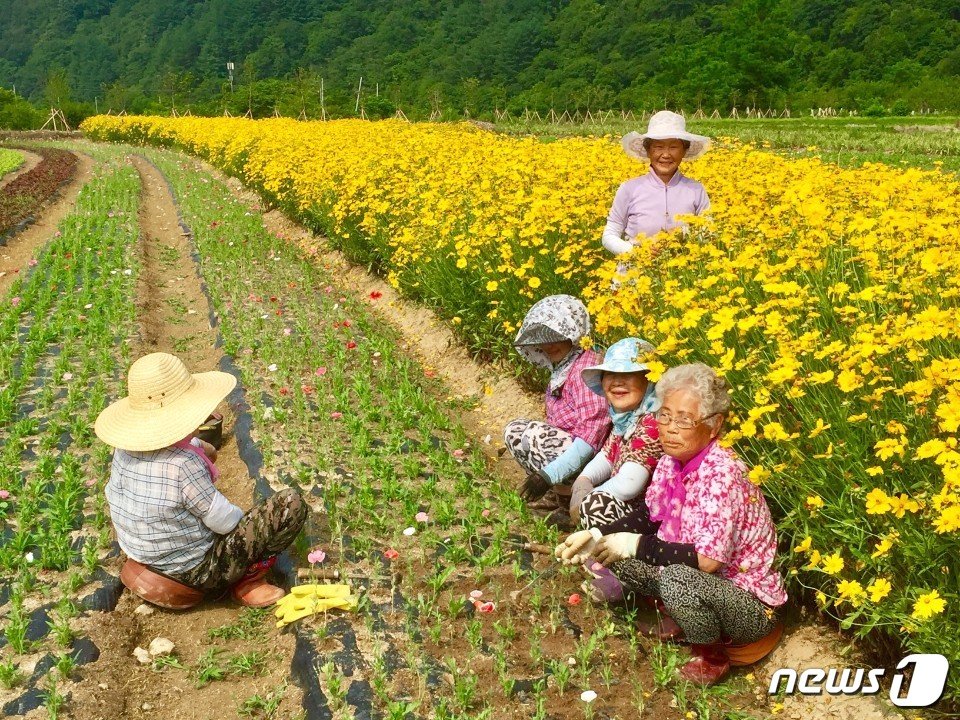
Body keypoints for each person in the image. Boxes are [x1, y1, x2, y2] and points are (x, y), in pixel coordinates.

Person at [556, 363, 787, 685]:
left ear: (714, 424)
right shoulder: (669, 462)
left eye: (684, 419)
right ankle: (675, 615)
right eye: (664, 415)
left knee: (678, 576)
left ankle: (711, 657)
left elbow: (708, 562)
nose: (670, 428)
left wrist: (634, 544)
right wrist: (596, 535)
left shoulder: (723, 473)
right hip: (699, 585)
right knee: (614, 547)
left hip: (745, 604)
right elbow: (650, 516)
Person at [95, 352, 307, 608]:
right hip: (194, 571)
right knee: (289, 505)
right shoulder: (182, 464)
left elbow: (191, 453)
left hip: (145, 556)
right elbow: (225, 521)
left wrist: (201, 450)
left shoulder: (125, 449)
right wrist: (250, 529)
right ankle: (248, 581)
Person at [504, 295, 611, 509]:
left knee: (524, 433)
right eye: (544, 336)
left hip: (595, 461)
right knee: (517, 433)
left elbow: (593, 434)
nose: (550, 345)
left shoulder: (585, 368)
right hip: (574, 453)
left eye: (557, 335)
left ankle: (573, 499)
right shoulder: (564, 366)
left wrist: (547, 475)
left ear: (573, 332)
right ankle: (561, 497)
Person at [568, 337, 663, 527]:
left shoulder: (654, 422)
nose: (618, 381)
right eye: (610, 374)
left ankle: (620, 555)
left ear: (649, 380)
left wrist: (587, 497)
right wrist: (583, 481)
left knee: (596, 505)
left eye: (629, 374)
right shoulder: (625, 418)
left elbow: (629, 485)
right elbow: (607, 455)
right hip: (630, 511)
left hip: (649, 520)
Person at [602, 110, 711, 257]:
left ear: (684, 151)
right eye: (658, 147)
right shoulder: (629, 188)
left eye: (673, 147)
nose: (666, 154)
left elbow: (708, 233)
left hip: (682, 273)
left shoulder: (696, 189)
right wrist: (636, 252)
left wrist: (681, 241)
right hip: (634, 274)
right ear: (648, 151)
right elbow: (609, 235)